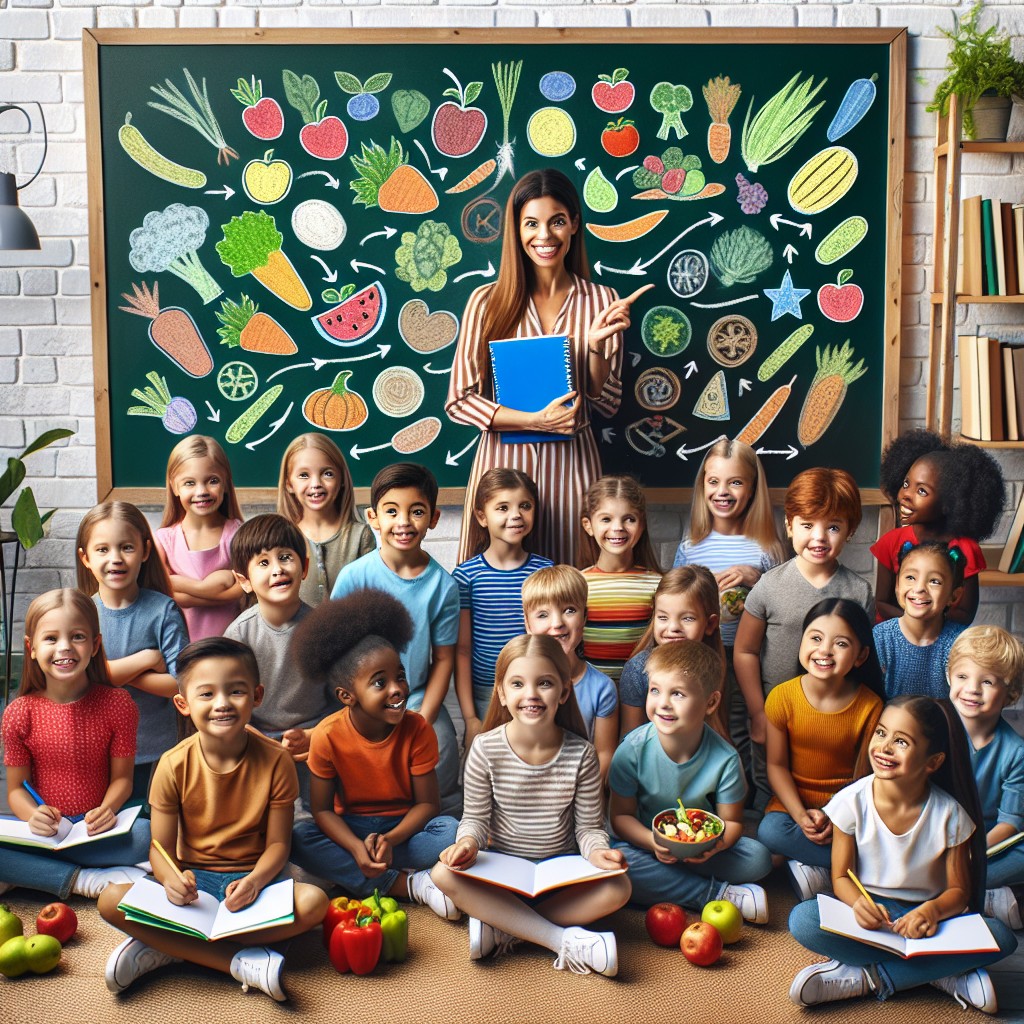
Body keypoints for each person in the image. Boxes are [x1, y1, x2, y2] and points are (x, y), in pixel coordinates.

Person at [98, 637, 328, 1001]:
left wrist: (254, 882)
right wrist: (171, 880)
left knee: (314, 903)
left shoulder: (276, 761)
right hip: (193, 885)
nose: (222, 704)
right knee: (110, 899)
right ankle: (238, 961)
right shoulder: (172, 764)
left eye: (235, 691)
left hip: (252, 883)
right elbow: (160, 848)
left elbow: (279, 845)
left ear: (256, 695)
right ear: (183, 703)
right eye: (206, 694)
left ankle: (170, 946)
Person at [445, 166, 652, 566]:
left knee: (570, 586)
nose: (544, 236)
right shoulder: (485, 301)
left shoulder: (602, 301)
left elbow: (606, 403)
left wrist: (593, 350)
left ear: (574, 223)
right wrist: (533, 421)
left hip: (573, 466)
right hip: (503, 468)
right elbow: (460, 399)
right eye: (532, 224)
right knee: (496, 585)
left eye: (557, 221)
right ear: (516, 230)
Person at [788, 696, 1017, 1013]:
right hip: (872, 913)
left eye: (901, 742)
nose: (883, 747)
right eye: (881, 733)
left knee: (1001, 937)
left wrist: (931, 913)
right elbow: (840, 876)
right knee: (803, 920)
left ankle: (873, 978)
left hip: (928, 920)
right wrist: (858, 905)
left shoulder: (950, 815)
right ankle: (940, 972)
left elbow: (958, 892)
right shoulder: (851, 801)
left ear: (933, 762)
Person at [431, 634, 631, 976]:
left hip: (559, 876)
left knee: (620, 886)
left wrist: (598, 853)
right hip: (505, 875)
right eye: (518, 684)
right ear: (502, 693)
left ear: (564, 692)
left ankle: (505, 927)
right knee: (440, 874)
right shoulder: (484, 748)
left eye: (545, 683)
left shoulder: (581, 753)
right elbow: (476, 820)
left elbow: (588, 829)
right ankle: (558, 939)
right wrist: (466, 843)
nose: (532, 695)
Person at [289, 589, 460, 910]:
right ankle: (404, 883)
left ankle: (355, 874)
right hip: (350, 827)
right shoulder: (327, 735)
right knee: (298, 838)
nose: (397, 689)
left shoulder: (417, 728)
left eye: (400, 676)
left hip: (403, 829)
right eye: (380, 683)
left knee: (451, 832)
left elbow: (428, 804)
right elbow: (322, 810)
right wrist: (355, 847)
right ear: (346, 696)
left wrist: (389, 841)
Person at [733, 466, 873, 809]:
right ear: (789, 525)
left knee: (829, 791)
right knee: (768, 789)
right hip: (774, 712)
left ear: (850, 531)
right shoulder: (770, 585)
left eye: (834, 527)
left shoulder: (858, 591)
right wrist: (758, 712)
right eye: (808, 525)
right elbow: (745, 650)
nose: (819, 537)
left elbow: (862, 661)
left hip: (832, 719)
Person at [0, 589, 150, 899]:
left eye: (78, 637)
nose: (65, 647)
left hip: (95, 830)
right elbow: (16, 790)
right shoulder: (19, 713)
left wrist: (107, 810)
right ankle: (84, 880)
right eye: (51, 638)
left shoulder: (118, 704)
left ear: (95, 645)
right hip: (45, 831)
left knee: (148, 834)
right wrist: (33, 815)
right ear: (31, 648)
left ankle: (32, 872)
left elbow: (122, 779)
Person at [330, 463, 461, 814]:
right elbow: (337, 650)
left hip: (415, 697)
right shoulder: (354, 576)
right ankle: (368, 826)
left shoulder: (443, 586)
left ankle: (436, 828)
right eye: (391, 511)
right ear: (373, 517)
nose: (403, 522)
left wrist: (424, 718)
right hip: (359, 700)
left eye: (416, 511)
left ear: (433, 518)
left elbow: (444, 659)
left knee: (443, 746)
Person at [609, 640, 772, 920]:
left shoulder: (725, 759)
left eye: (678, 694)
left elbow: (732, 822)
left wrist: (713, 847)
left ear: (711, 702)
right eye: (655, 691)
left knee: (758, 858)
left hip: (701, 846)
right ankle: (716, 894)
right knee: (617, 863)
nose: (663, 704)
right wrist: (651, 841)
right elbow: (620, 818)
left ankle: (668, 882)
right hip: (645, 843)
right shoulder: (631, 750)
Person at [757, 599, 883, 902]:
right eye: (815, 638)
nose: (824, 650)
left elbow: (864, 778)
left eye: (840, 643)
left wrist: (834, 814)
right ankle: (841, 869)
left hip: (845, 808)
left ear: (861, 655)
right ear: (801, 642)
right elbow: (775, 766)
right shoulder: (782, 697)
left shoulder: (870, 706)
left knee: (873, 839)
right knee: (769, 832)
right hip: (791, 806)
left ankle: (818, 867)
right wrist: (802, 816)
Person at [672, 438, 784, 770]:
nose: (723, 491)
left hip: (752, 655)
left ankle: (750, 791)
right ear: (703, 485)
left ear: (751, 490)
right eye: (714, 481)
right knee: (708, 723)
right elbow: (678, 602)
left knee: (749, 723)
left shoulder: (765, 547)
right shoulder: (691, 547)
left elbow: (785, 603)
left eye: (735, 482)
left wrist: (756, 578)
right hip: (704, 652)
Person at [76, 500, 189, 806]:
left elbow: (181, 685)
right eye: (102, 550)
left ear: (145, 551)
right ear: (85, 558)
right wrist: (146, 660)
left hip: (155, 747)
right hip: (97, 748)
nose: (115, 559)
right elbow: (79, 682)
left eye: (126, 547)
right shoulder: (80, 613)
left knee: (147, 825)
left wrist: (114, 675)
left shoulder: (163, 610)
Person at [224, 514, 331, 798]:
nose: (277, 570)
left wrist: (314, 735)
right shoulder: (239, 635)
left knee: (315, 822)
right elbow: (229, 702)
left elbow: (343, 700)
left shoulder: (326, 629)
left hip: (316, 739)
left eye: (285, 557)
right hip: (256, 741)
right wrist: (255, 738)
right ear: (243, 580)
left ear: (304, 567)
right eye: (263, 562)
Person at [454, 467, 552, 751]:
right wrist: (470, 717)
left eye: (525, 506)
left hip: (536, 690)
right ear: (482, 517)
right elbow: (462, 649)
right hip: (486, 694)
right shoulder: (466, 576)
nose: (516, 515)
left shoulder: (544, 571)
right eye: (503, 507)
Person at [873, 429, 1004, 624]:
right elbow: (881, 603)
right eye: (906, 483)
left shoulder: (965, 550)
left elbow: (966, 613)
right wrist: (914, 621)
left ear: (950, 504)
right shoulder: (890, 542)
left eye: (922, 491)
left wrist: (929, 622)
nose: (906, 495)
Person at [946, 625, 1024, 928]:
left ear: (1010, 694)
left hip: (989, 844)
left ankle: (980, 894)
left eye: (987, 681)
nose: (972, 689)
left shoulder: (1015, 752)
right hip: (936, 835)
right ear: (949, 678)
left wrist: (969, 853)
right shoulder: (934, 729)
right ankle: (982, 896)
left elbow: (1010, 823)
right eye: (963, 677)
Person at [522, 565, 618, 782]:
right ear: (528, 623)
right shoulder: (517, 682)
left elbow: (604, 755)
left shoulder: (602, 688)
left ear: (584, 617)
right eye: (543, 614)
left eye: (569, 610)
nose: (557, 623)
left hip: (584, 793)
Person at [618, 566, 725, 739]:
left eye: (687, 618)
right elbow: (630, 739)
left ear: (710, 624)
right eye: (663, 617)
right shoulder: (638, 670)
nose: (673, 627)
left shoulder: (720, 668)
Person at [154, 435, 245, 640]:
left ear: (225, 483)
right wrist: (211, 588)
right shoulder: (163, 540)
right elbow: (159, 593)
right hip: (180, 652)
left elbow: (243, 589)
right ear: (174, 486)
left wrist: (180, 587)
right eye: (189, 483)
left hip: (231, 649)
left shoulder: (239, 534)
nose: (201, 491)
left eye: (212, 481)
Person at [578, 475, 663, 684]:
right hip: (592, 695)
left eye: (629, 519)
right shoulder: (577, 583)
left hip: (642, 693)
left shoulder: (658, 584)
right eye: (606, 519)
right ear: (588, 525)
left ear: (641, 525)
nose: (618, 527)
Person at [277, 432, 375, 607]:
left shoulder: (361, 536)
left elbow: (371, 598)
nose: (316, 483)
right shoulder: (280, 538)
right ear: (289, 484)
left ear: (342, 479)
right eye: (304, 475)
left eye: (327, 473)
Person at [873, 541, 967, 699]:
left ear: (954, 595)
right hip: (890, 722)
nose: (919, 588)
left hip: (944, 722)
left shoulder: (961, 642)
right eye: (910, 577)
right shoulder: (881, 638)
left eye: (934, 581)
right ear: (897, 585)